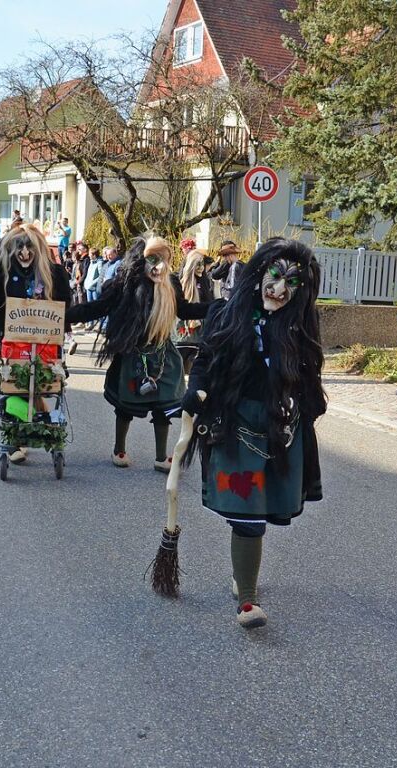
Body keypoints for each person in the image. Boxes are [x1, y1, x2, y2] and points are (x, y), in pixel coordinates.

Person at [182, 238, 326, 630]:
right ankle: (247, 599)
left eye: (291, 284)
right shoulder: (225, 315)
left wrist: (309, 406)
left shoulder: (297, 326)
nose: (279, 289)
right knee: (248, 519)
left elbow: (309, 375)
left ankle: (243, 578)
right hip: (235, 424)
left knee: (256, 517)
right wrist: (196, 390)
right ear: (259, 273)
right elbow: (206, 360)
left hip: (278, 430)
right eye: (274, 276)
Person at [67, 237, 209, 472]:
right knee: (125, 405)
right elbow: (95, 308)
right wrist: (64, 316)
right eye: (153, 259)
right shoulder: (124, 285)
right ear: (140, 262)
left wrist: (216, 306)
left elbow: (184, 310)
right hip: (133, 354)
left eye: (164, 260)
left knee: (165, 406)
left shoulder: (171, 284)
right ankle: (119, 448)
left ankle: (161, 456)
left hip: (163, 354)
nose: (159, 266)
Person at [0, 224, 74, 464]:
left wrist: (63, 331)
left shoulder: (52, 273)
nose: (24, 252)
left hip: (45, 344)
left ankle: (35, 425)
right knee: (14, 386)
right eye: (19, 247)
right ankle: (16, 437)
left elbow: (64, 306)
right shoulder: (0, 273)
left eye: (29, 246)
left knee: (42, 386)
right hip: (12, 343)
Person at [174, 249, 215, 375]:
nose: (201, 268)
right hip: (183, 334)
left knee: (195, 371)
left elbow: (210, 303)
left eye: (202, 264)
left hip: (200, 334)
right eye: (197, 264)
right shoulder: (179, 283)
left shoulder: (205, 283)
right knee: (180, 369)